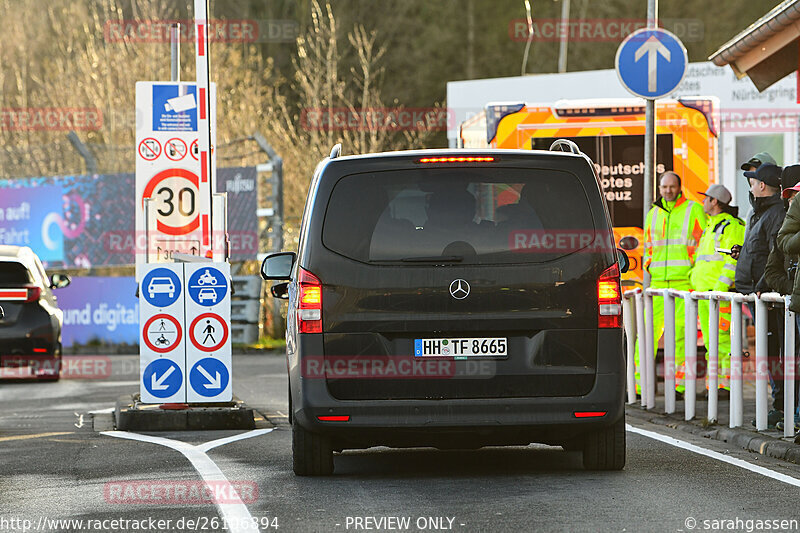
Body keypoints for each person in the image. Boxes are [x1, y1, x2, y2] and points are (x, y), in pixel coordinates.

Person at [637, 171, 706, 395]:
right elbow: (648, 245)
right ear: (659, 188)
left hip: (683, 283)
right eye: (664, 187)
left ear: (679, 187)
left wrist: (695, 273)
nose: (668, 190)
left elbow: (703, 243)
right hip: (657, 283)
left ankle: (681, 385)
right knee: (647, 333)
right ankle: (640, 385)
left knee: (681, 337)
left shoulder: (693, 209)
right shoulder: (653, 213)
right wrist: (649, 264)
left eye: (672, 186)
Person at [736, 162, 787, 427]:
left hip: (768, 299)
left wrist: (763, 287)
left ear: (762, 186)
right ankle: (779, 406)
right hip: (758, 296)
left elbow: (775, 254)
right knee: (769, 355)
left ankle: (780, 407)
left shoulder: (774, 213)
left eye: (753, 181)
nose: (751, 185)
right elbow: (760, 250)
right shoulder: (761, 212)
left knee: (776, 354)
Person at [689, 184, 745, 397]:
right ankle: (715, 385)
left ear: (714, 201)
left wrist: (719, 290)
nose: (703, 202)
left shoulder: (732, 226)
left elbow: (732, 262)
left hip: (718, 295)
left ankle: (725, 386)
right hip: (706, 294)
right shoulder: (712, 225)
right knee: (712, 342)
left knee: (722, 341)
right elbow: (704, 261)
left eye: (706, 199)